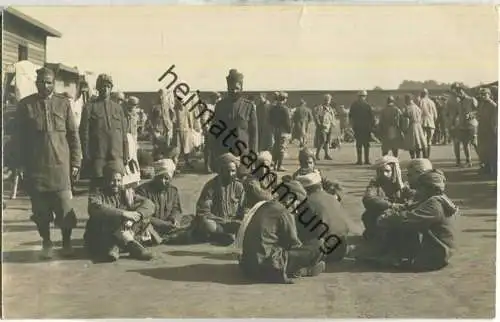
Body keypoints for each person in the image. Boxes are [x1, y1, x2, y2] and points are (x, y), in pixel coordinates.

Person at [13, 67, 82, 259]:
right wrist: (18, 164)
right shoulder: (26, 105)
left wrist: (76, 162)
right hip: (36, 167)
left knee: (65, 209)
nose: (46, 85)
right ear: (37, 83)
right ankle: (46, 242)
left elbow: (73, 135)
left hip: (61, 167)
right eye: (42, 82)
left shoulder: (63, 104)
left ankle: (66, 242)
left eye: (49, 82)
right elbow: (18, 139)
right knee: (40, 212)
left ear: (54, 83)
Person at [238, 180, 326, 284]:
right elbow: (294, 243)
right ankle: (303, 270)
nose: (298, 208)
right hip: (266, 267)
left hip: (248, 267)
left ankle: (299, 269)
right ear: (290, 198)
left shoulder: (265, 205)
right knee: (318, 244)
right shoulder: (283, 211)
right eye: (298, 202)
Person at [376, 169, 458, 271]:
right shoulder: (439, 199)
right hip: (442, 250)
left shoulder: (434, 205)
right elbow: (411, 207)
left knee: (401, 225)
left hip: (436, 254)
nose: (417, 191)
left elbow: (410, 219)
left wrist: (387, 218)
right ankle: (396, 255)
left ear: (429, 188)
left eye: (420, 188)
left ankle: (397, 257)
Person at [84, 162, 155, 262]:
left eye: (119, 180)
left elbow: (149, 204)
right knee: (111, 219)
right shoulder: (97, 193)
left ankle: (117, 247)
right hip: (101, 235)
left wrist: (137, 215)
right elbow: (95, 207)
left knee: (143, 217)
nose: (116, 184)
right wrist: (123, 213)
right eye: (112, 181)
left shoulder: (126, 193)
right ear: (106, 180)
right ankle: (132, 246)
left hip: (122, 230)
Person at [80, 74, 129, 192]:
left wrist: (125, 154)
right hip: (98, 157)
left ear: (111, 88)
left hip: (116, 156)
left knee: (116, 190)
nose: (105, 89)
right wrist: (87, 156)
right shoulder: (89, 107)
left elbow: (124, 134)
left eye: (108, 86)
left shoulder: (118, 109)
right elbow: (84, 134)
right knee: (98, 190)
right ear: (98, 87)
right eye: (102, 86)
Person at [295, 172, 349, 263]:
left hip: (324, 252)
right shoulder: (333, 198)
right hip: (341, 248)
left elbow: (300, 231)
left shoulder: (307, 203)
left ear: (304, 189)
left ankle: (308, 266)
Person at [193, 153, 246, 245]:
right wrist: (223, 221)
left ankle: (226, 236)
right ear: (221, 171)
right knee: (207, 224)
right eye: (227, 171)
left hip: (234, 223)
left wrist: (242, 218)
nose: (230, 174)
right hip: (217, 223)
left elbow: (244, 207)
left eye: (233, 171)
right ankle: (223, 236)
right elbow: (203, 212)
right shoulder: (211, 186)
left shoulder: (239, 186)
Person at [211, 69, 258, 165]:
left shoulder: (248, 106)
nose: (234, 91)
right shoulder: (220, 105)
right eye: (232, 88)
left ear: (241, 88)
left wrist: (253, 154)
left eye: (237, 88)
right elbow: (215, 130)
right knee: (225, 178)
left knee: (243, 178)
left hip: (244, 154)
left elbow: (254, 134)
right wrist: (215, 153)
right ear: (228, 88)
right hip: (225, 153)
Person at [361, 156, 413, 241]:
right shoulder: (375, 184)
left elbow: (415, 196)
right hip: (380, 214)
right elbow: (368, 198)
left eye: (387, 171)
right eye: (381, 171)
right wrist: (391, 205)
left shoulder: (402, 183)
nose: (384, 174)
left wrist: (407, 202)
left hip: (398, 215)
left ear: (394, 171)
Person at [135, 159, 183, 239]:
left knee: (191, 220)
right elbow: (142, 215)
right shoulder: (142, 190)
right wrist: (163, 224)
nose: (163, 181)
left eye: (167, 179)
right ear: (155, 177)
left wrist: (174, 219)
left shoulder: (173, 191)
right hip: (150, 226)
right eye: (161, 178)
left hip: (169, 226)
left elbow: (176, 209)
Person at [448, 83, 479, 167]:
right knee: (465, 144)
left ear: (462, 92)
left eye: (457, 94)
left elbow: (478, 111)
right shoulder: (458, 102)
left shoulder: (471, 99)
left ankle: (482, 159)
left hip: (472, 125)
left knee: (474, 143)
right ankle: (468, 161)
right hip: (462, 125)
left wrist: (470, 115)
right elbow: (456, 114)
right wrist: (453, 123)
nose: (456, 96)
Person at [349, 90, 376, 165]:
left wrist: (351, 126)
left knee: (359, 144)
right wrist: (372, 127)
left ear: (358, 96)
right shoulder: (367, 105)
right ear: (365, 96)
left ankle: (359, 160)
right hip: (366, 128)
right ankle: (367, 160)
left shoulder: (354, 105)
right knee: (366, 145)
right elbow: (372, 117)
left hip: (357, 127)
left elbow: (350, 116)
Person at [476, 87, 498, 175]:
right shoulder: (481, 104)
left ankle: (492, 169)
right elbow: (478, 115)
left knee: (491, 151)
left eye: (485, 94)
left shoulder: (493, 105)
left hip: (490, 131)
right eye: (481, 94)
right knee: (482, 151)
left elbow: (494, 120)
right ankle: (486, 167)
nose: (483, 96)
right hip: (481, 130)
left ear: (489, 95)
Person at [269, 91, 292, 171]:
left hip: (275, 130)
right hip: (283, 131)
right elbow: (287, 122)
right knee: (282, 148)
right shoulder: (285, 109)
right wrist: (289, 130)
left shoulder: (273, 108)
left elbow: (270, 120)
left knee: (276, 147)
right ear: (285, 99)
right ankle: (280, 166)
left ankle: (274, 164)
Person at [402, 94, 427, 159]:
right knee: (418, 143)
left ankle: (413, 159)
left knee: (412, 144)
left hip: (411, 126)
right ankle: (418, 158)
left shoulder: (408, 108)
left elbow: (405, 119)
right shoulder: (417, 108)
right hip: (419, 126)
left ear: (408, 100)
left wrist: (405, 129)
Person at [201, 92, 220, 173]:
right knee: (208, 149)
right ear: (212, 98)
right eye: (216, 98)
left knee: (215, 149)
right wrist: (207, 130)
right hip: (210, 131)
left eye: (218, 98)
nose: (217, 99)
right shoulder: (208, 107)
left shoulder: (217, 107)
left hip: (218, 131)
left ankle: (214, 166)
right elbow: (204, 120)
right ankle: (207, 167)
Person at [313, 94, 335, 160]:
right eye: (327, 99)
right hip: (323, 127)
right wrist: (319, 124)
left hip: (329, 126)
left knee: (328, 141)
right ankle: (317, 154)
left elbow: (332, 117)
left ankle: (326, 155)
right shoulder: (321, 107)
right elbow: (316, 117)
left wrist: (333, 124)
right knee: (322, 141)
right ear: (324, 100)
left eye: (329, 100)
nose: (328, 101)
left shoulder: (330, 108)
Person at [419, 89, 438, 158]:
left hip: (423, 122)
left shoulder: (421, 101)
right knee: (429, 141)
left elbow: (419, 112)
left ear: (422, 94)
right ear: (427, 94)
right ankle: (428, 157)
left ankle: (425, 156)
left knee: (423, 141)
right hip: (431, 123)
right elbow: (436, 115)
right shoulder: (432, 102)